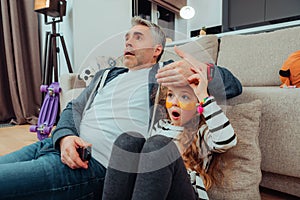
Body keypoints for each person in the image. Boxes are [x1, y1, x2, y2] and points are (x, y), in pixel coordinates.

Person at [0, 16, 241, 200]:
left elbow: (232, 84)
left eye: (138, 37)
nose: (128, 41)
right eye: (127, 37)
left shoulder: (164, 74)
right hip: (53, 147)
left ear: (156, 50)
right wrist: (64, 138)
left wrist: (198, 70)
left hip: (92, 165)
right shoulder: (106, 75)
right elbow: (73, 108)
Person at [102, 64, 237, 200]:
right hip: (155, 190)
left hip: (185, 192)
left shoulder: (201, 132)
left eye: (184, 97)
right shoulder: (160, 126)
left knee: (159, 145)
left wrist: (203, 97)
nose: (174, 102)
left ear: (198, 106)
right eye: (170, 95)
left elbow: (227, 140)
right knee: (128, 140)